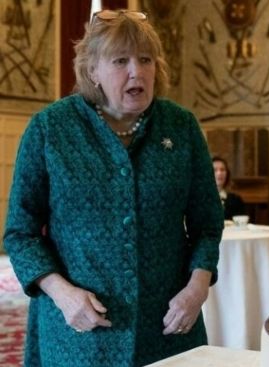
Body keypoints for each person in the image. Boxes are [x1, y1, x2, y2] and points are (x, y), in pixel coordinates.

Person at [2, 9, 223, 366]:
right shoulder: (50, 129)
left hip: (167, 328)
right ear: (93, 71)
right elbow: (20, 233)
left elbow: (207, 225)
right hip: (78, 333)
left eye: (146, 59)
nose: (137, 71)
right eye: (121, 60)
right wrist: (62, 294)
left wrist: (197, 289)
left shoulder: (181, 127)